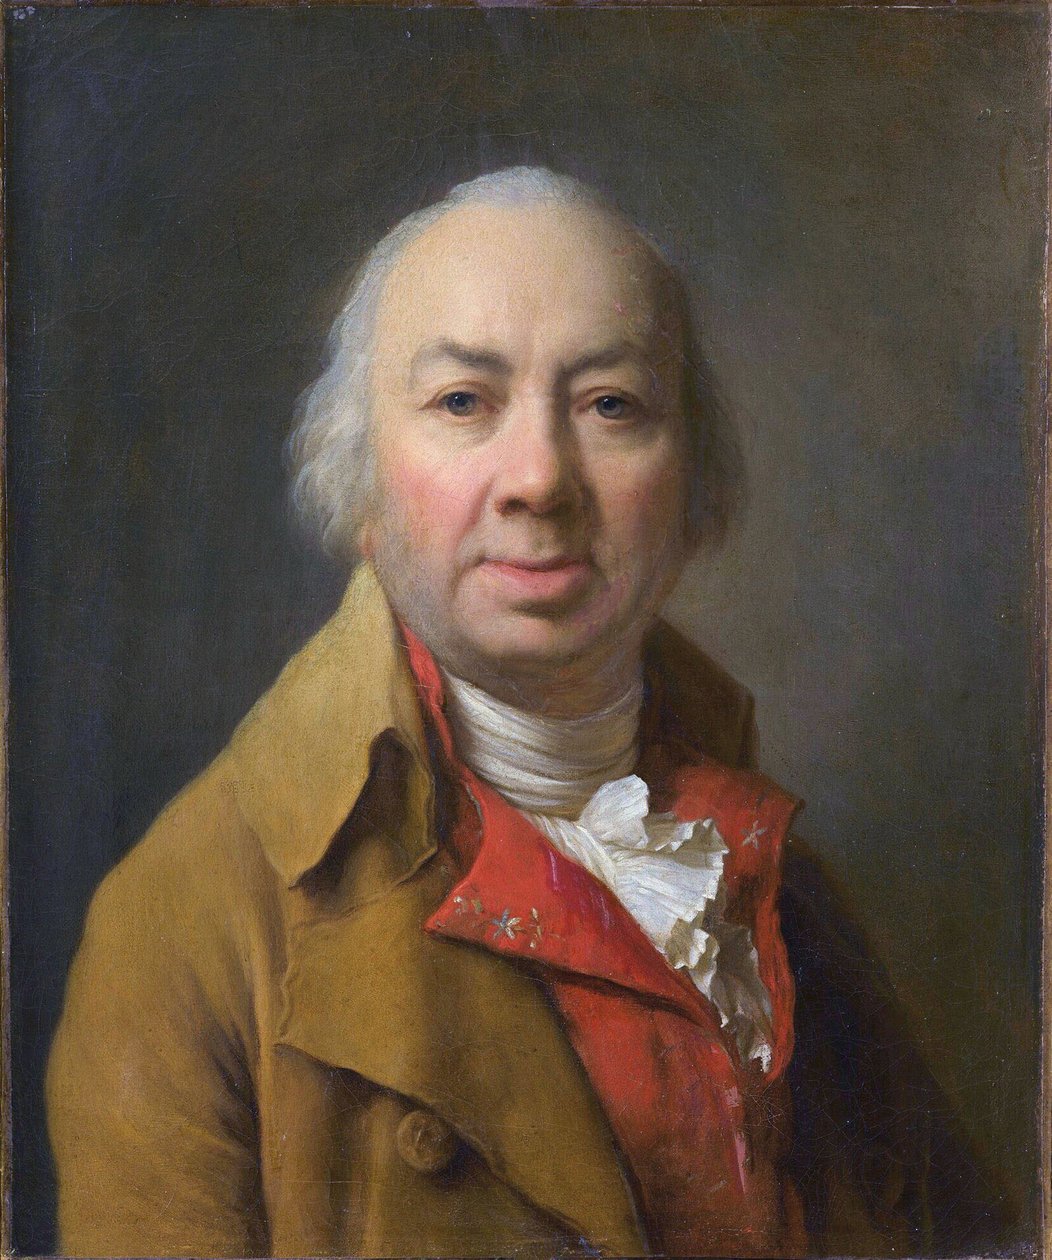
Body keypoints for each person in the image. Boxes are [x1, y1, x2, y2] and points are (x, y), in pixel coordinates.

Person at [46, 167, 1005, 1258]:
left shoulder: (780, 895)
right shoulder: (182, 925)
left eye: (610, 405)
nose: (540, 479)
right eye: (464, 402)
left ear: (689, 483)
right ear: (363, 482)